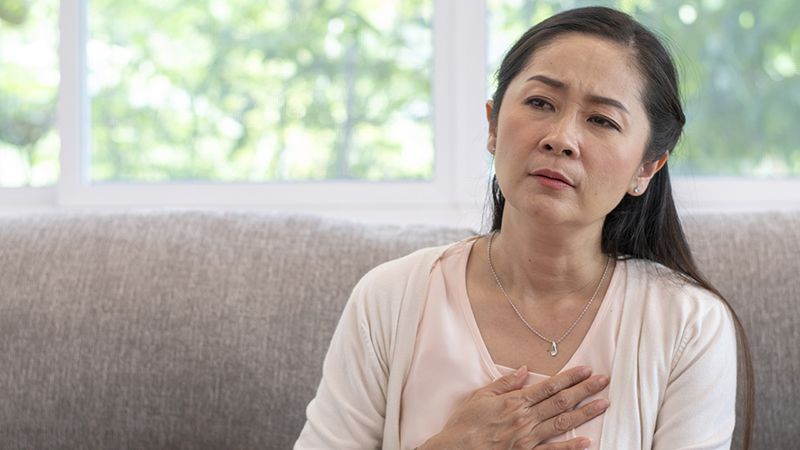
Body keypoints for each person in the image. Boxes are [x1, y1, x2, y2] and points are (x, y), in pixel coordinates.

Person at [295, 6, 753, 450]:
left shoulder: (688, 324)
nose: (561, 138)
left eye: (602, 120)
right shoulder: (390, 298)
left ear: (647, 168)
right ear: (492, 124)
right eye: (540, 102)